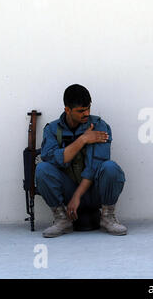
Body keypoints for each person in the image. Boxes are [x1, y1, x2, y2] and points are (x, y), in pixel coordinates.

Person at [35, 84, 127, 238]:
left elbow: (95, 165)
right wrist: (83, 139)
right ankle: (62, 219)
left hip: (93, 190)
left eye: (88, 108)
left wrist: (77, 196)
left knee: (110, 168)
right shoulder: (52, 129)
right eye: (81, 111)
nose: (86, 113)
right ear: (67, 110)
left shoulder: (98, 125)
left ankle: (107, 217)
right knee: (42, 169)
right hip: (67, 190)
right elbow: (52, 158)